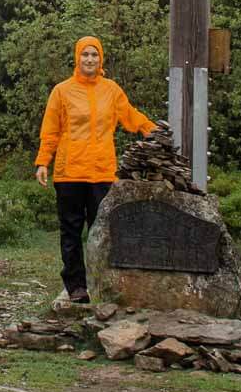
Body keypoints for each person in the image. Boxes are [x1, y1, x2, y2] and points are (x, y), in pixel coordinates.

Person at [33, 35, 156, 302]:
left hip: (102, 172)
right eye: (85, 55)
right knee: (71, 231)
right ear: (77, 58)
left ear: (101, 59)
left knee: (103, 231)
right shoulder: (62, 91)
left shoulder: (111, 90)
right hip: (70, 173)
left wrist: (152, 131)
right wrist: (43, 161)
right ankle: (76, 286)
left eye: (94, 55)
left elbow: (130, 115)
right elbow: (50, 130)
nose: (90, 59)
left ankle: (103, 283)